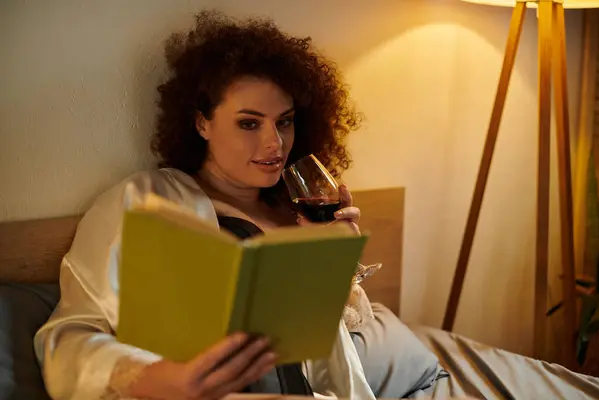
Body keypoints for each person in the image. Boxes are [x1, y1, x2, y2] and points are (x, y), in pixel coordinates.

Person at [34, 10, 377, 400]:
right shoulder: (145, 201)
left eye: (285, 121)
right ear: (202, 124)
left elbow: (332, 361)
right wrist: (161, 380)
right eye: (249, 123)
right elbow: (68, 339)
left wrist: (337, 266)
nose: (275, 143)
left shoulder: (297, 214)